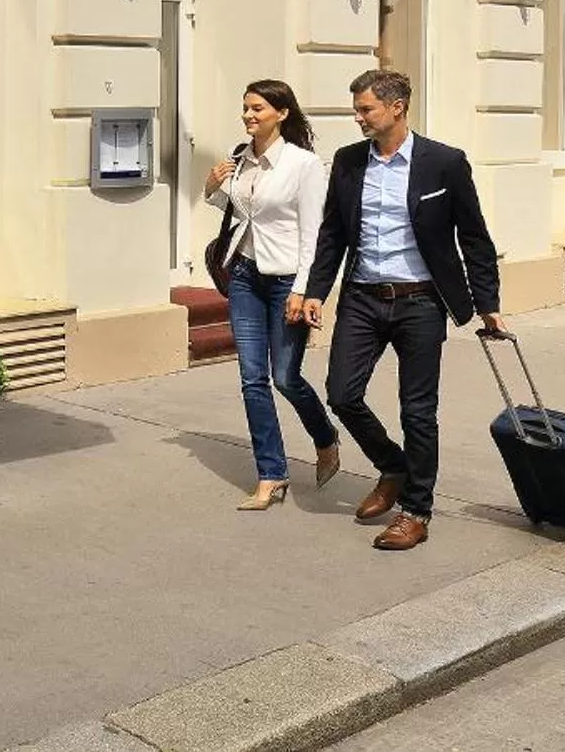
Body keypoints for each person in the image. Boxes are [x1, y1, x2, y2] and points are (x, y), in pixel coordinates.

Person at [300, 68, 506, 551]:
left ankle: (415, 510)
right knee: (341, 394)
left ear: (397, 107)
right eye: (357, 109)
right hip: (362, 298)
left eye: (365, 109)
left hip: (420, 303)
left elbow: (474, 239)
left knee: (418, 411)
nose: (358, 118)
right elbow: (332, 233)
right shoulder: (349, 162)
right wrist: (316, 290)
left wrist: (488, 304)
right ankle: (393, 466)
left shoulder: (444, 163)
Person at [205, 79, 344, 510]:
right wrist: (212, 186)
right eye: (245, 108)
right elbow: (240, 214)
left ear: (282, 113)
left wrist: (304, 289)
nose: (249, 115)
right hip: (245, 277)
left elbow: (313, 234)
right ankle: (271, 474)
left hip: (286, 281)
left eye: (258, 108)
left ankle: (325, 436)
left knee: (285, 377)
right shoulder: (239, 159)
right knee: (252, 378)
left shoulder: (303, 164)